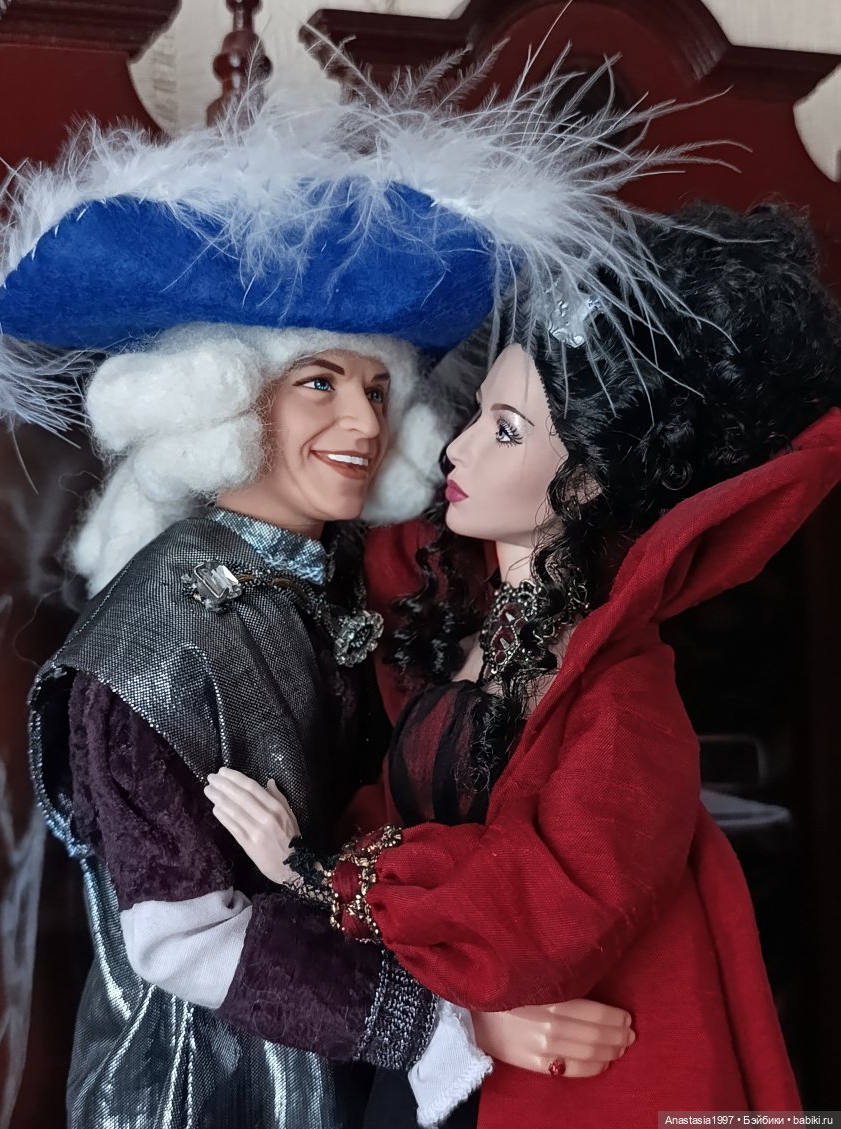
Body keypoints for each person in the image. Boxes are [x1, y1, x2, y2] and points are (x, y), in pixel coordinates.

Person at [0, 54, 680, 1129]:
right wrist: (458, 1023)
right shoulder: (150, 639)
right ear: (220, 398)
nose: (362, 423)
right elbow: (182, 941)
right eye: (318, 382)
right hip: (212, 1091)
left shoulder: (363, 582)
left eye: (376, 386)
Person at [206, 200, 841, 1129]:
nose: (457, 446)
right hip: (436, 1051)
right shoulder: (449, 616)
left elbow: (542, 914)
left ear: (583, 481)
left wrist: (316, 869)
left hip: (556, 1084)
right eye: (477, 414)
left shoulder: (623, 702)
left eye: (505, 430)